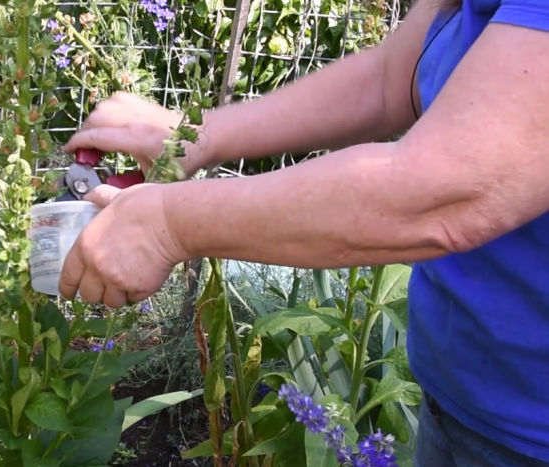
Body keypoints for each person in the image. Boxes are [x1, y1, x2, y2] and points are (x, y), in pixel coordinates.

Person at [58, 0, 549, 464]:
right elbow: (390, 78)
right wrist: (195, 136)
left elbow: (446, 189)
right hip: (462, 400)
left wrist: (167, 223)